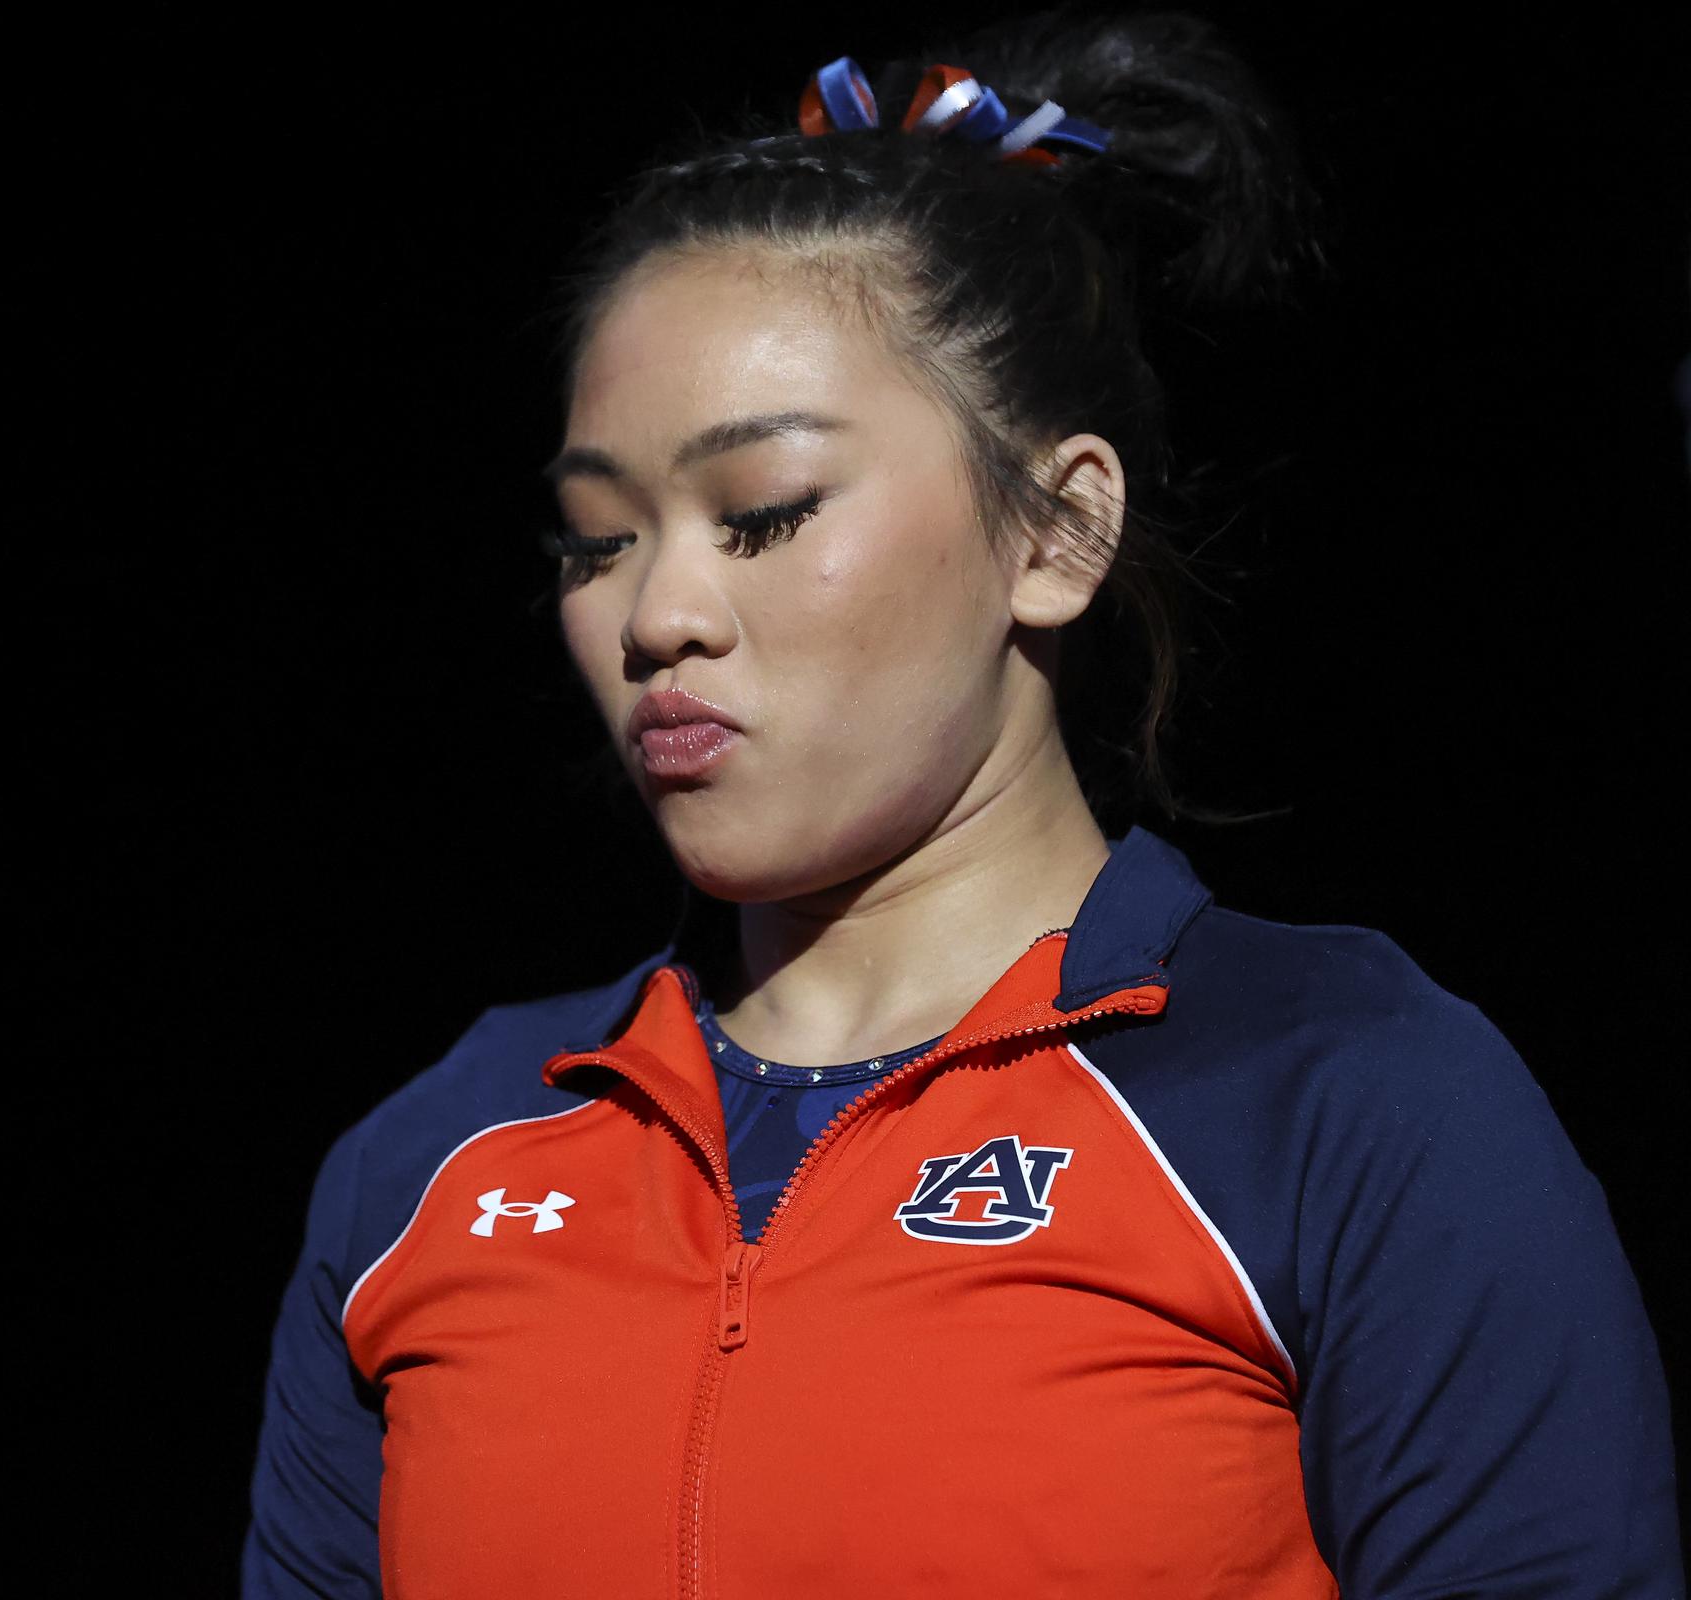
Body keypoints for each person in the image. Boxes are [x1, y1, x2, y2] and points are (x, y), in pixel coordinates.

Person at [241, 12, 1683, 1596]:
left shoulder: (1346, 1106)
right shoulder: (432, 1161)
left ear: (1057, 534)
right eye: (596, 540)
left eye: (765, 513)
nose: (655, 613)